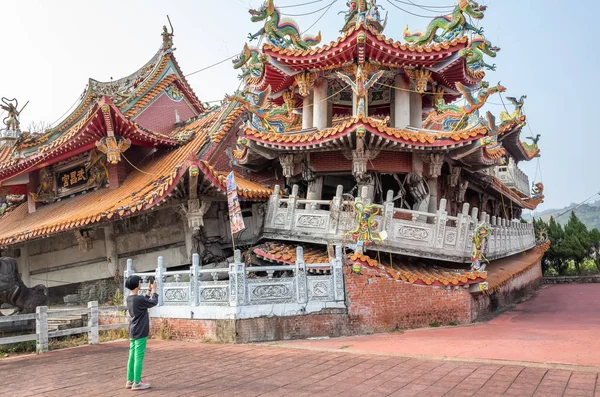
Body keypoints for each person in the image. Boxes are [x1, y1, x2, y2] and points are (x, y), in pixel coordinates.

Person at [125, 275, 158, 390]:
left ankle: (130, 380)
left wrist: (148, 291)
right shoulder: (138, 299)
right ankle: (137, 382)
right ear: (136, 285)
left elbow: (144, 302)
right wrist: (154, 291)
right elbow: (153, 302)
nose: (140, 283)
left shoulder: (129, 298)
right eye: (139, 282)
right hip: (141, 330)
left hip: (133, 330)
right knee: (139, 356)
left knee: (132, 355)